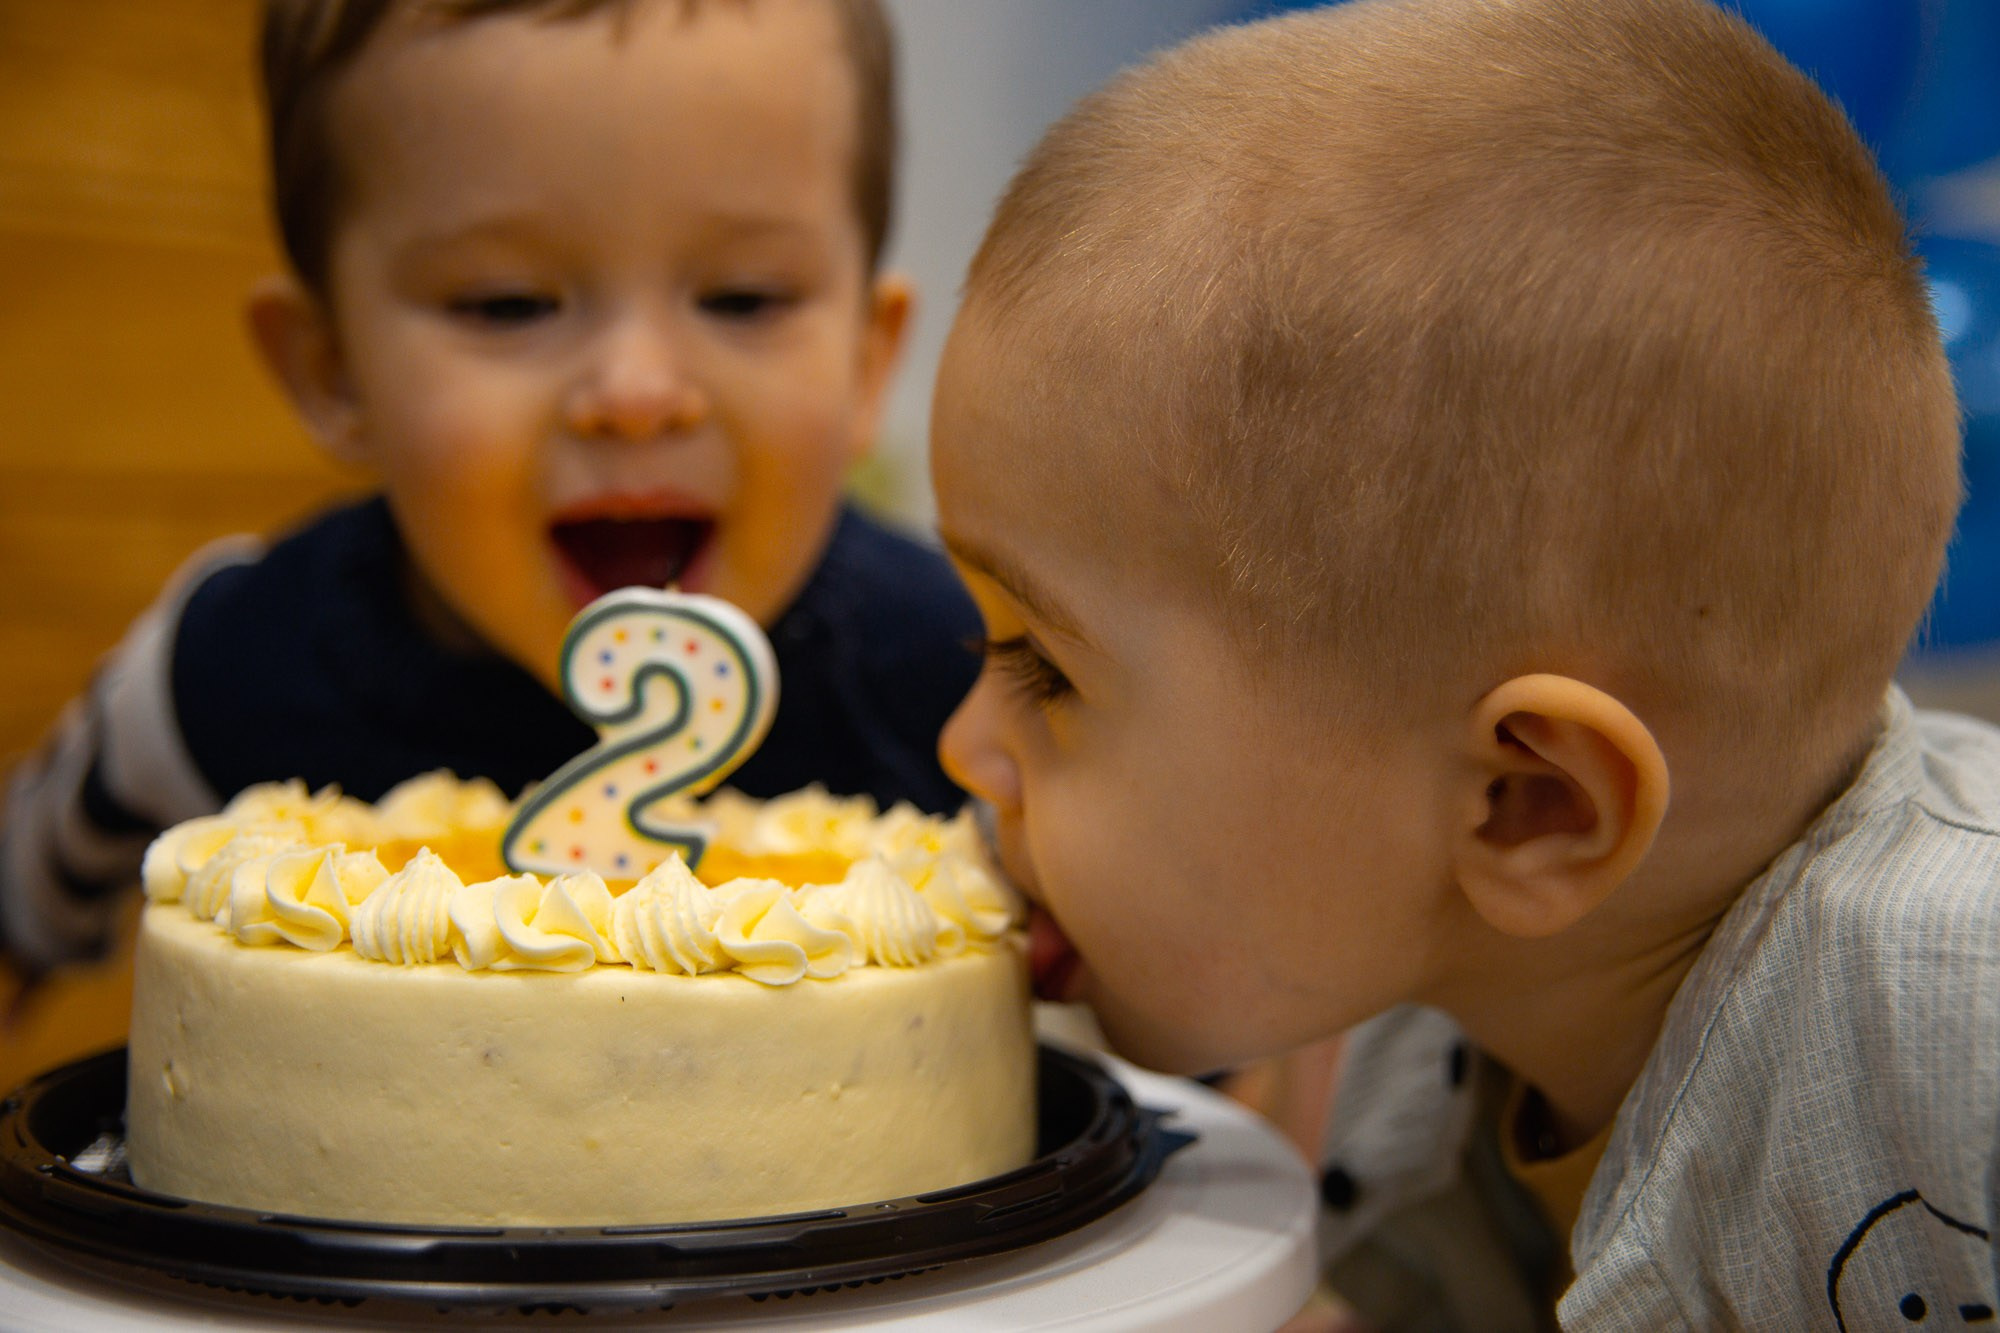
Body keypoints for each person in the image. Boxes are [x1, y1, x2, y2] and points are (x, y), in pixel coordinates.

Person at [927, 0, 1997, 1327]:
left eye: (1047, 673)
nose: (963, 744)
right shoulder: (1423, 1008)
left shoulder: (1962, 1022)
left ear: (1527, 803)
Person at [0, 0, 979, 977]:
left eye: (742, 297)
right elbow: (24, 898)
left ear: (864, 361)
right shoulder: (220, 670)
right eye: (507, 303)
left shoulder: (965, 686)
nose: (636, 395)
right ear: (332, 370)